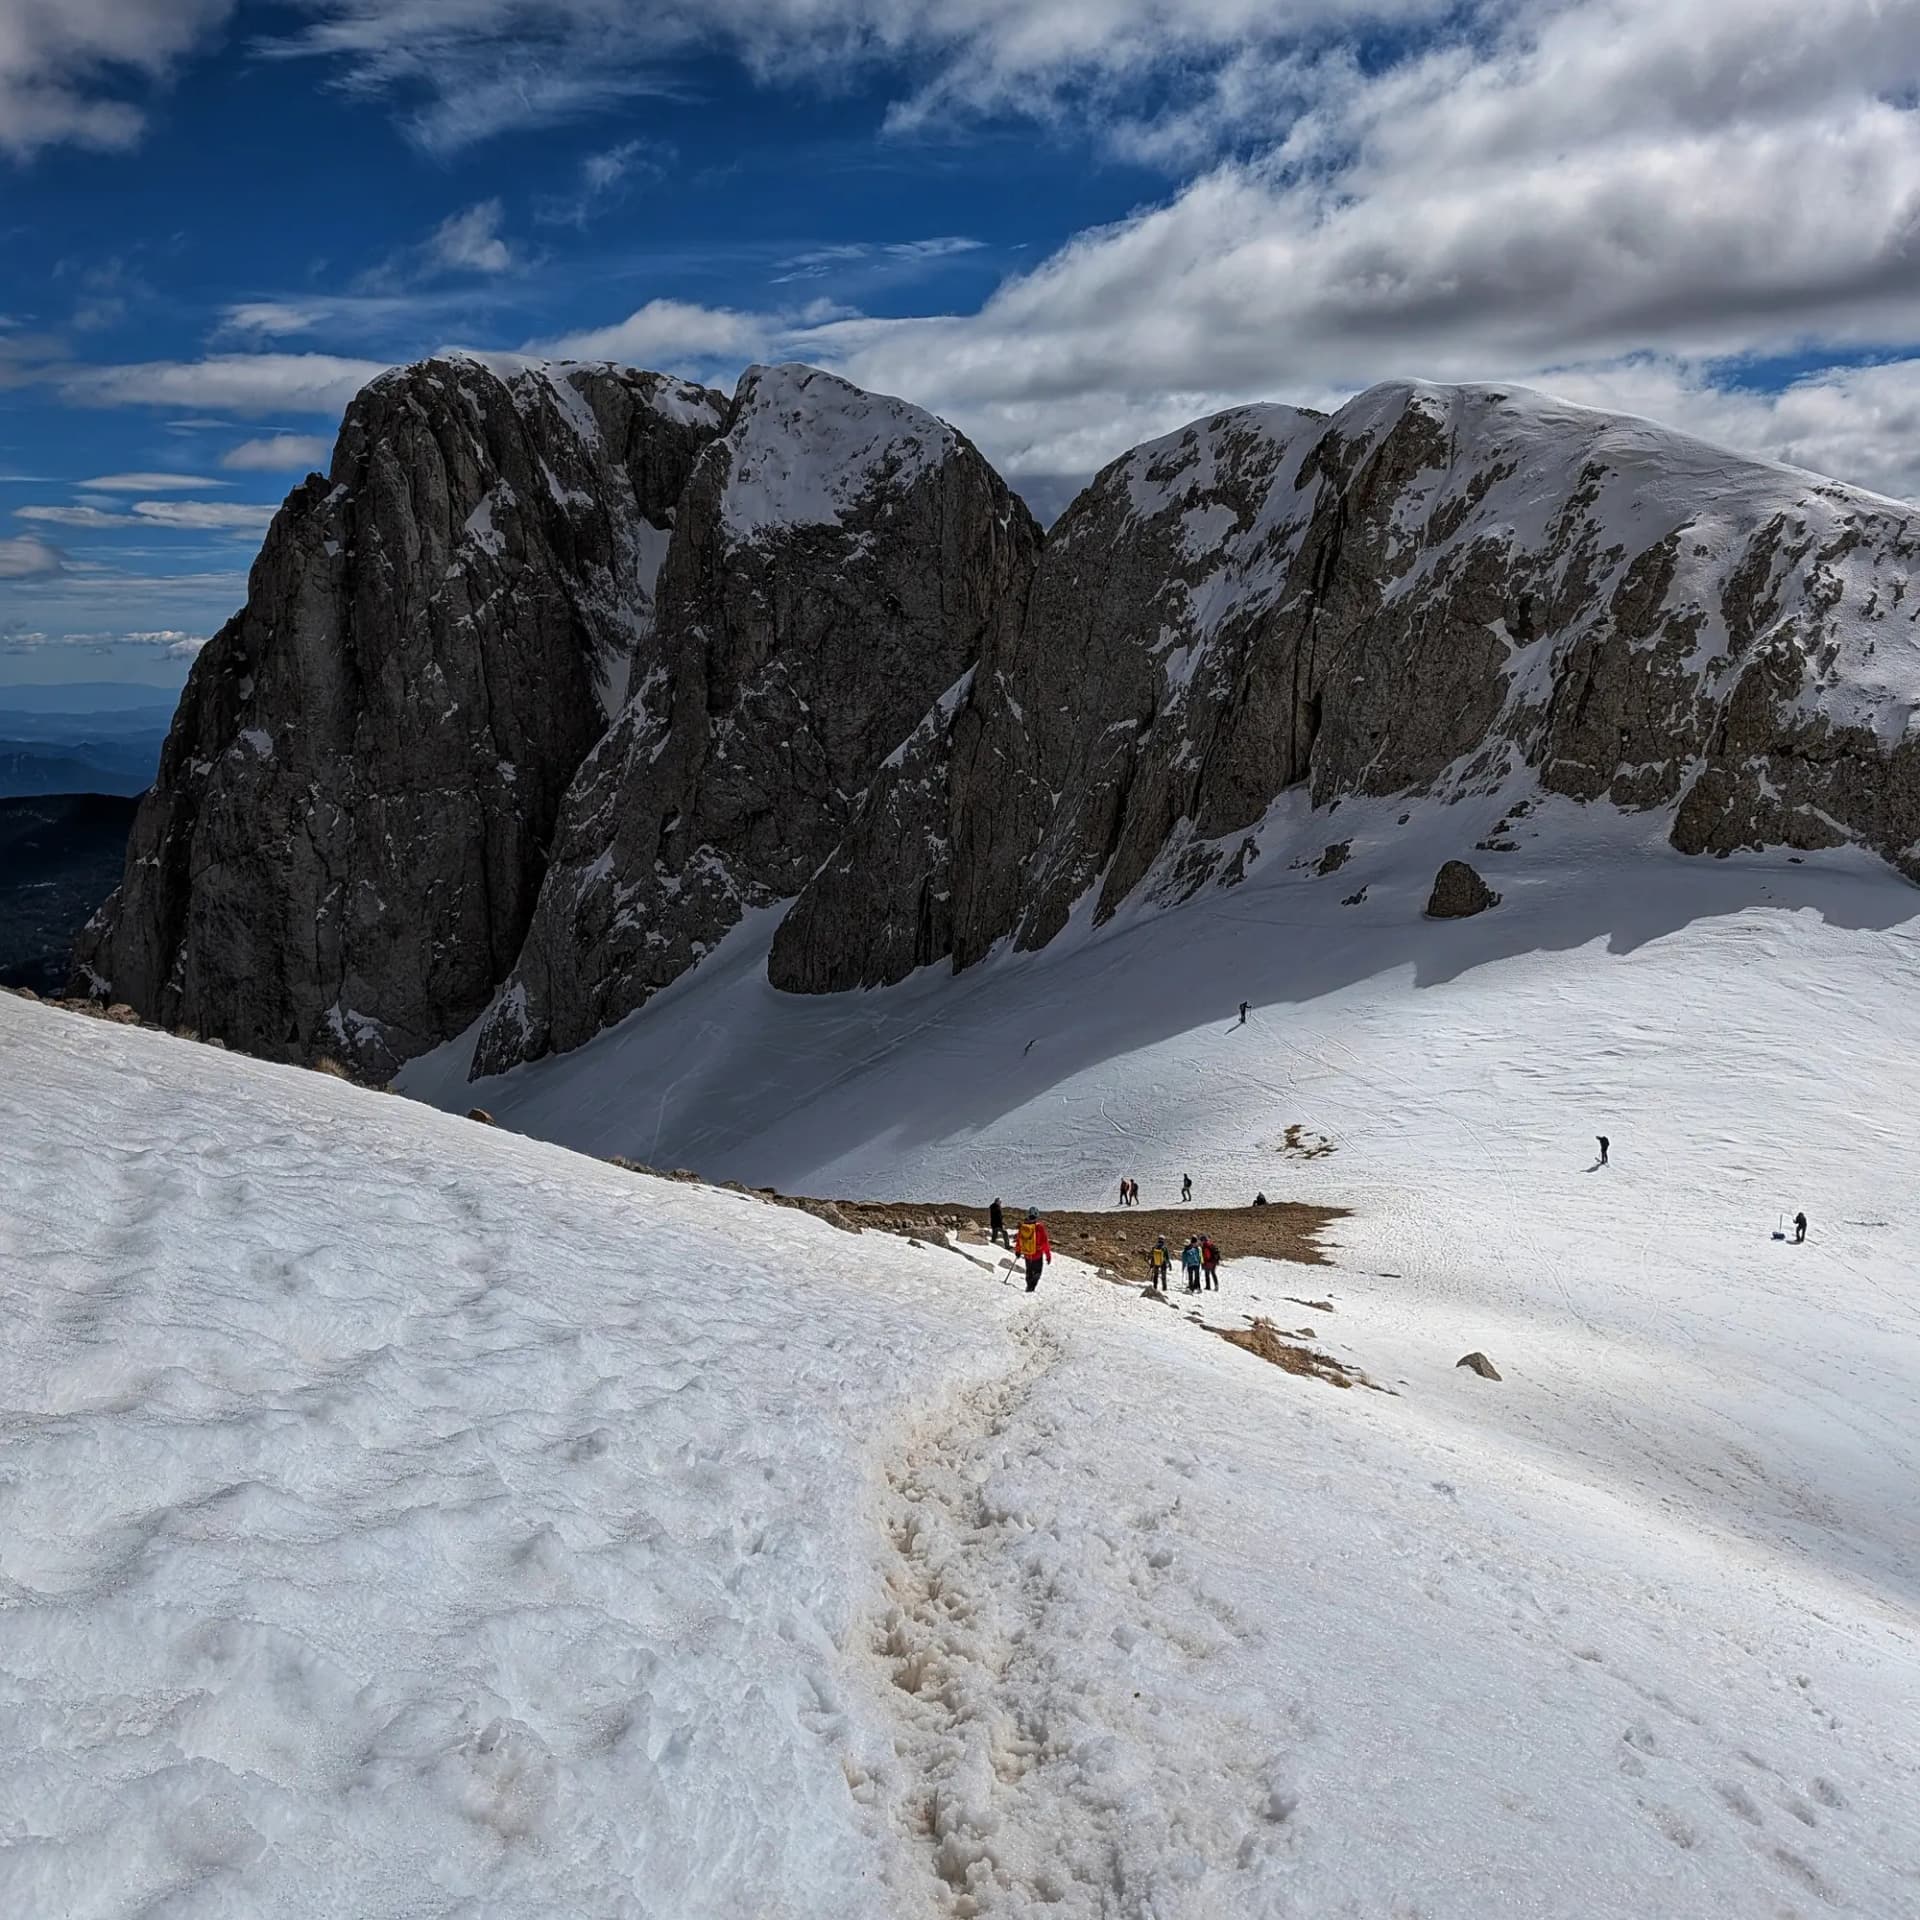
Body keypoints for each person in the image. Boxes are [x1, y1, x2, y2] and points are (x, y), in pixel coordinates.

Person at [1015, 1209, 1051, 1291]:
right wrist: (1048, 1256)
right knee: (1038, 1272)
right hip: (1037, 1255)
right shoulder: (1039, 1227)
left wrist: (1018, 1251)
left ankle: (1028, 1286)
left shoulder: (1023, 1226)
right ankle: (1031, 1288)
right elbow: (1045, 1242)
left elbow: (1019, 1240)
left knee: (1029, 1271)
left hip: (1027, 1254)